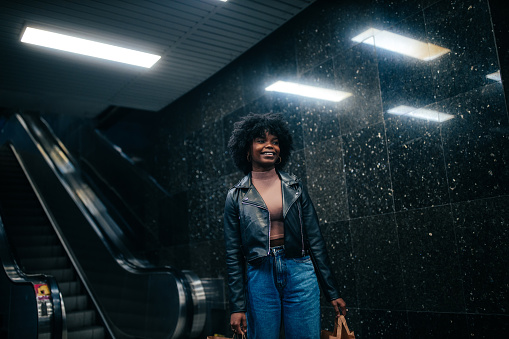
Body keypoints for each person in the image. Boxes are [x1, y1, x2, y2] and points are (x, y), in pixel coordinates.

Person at [223, 112, 347, 338]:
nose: (269, 146)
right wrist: (237, 306)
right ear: (247, 149)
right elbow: (233, 254)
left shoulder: (296, 188)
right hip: (259, 274)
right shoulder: (236, 196)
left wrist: (332, 291)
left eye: (275, 141)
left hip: (300, 269)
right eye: (261, 140)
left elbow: (315, 241)